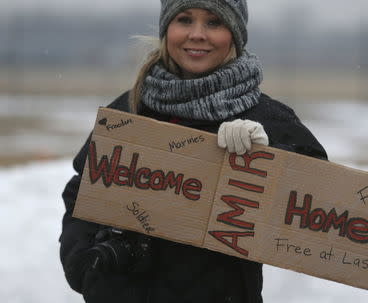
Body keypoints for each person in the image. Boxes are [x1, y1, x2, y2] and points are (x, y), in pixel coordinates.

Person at [59, 0, 328, 302]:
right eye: (185, 19)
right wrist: (83, 263)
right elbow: (81, 192)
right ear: (167, 29)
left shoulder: (265, 116)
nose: (197, 34)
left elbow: (321, 208)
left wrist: (270, 155)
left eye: (214, 22)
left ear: (235, 34)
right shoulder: (131, 109)